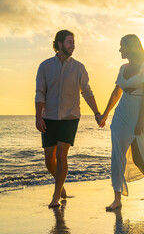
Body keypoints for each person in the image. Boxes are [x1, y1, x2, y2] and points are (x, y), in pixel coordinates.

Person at [35, 30, 101, 208]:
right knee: (49, 159)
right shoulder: (45, 66)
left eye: (73, 42)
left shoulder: (78, 67)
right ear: (59, 43)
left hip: (70, 117)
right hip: (48, 117)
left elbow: (87, 91)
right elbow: (40, 92)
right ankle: (60, 185)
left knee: (62, 155)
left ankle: (56, 196)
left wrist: (96, 112)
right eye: (69, 42)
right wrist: (37, 116)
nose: (73, 45)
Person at [97, 34, 144, 211]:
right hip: (121, 113)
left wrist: (140, 121)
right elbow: (116, 93)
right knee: (117, 156)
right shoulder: (122, 68)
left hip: (139, 112)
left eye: (122, 46)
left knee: (139, 155)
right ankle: (117, 198)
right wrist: (105, 114)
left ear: (131, 47)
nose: (120, 50)